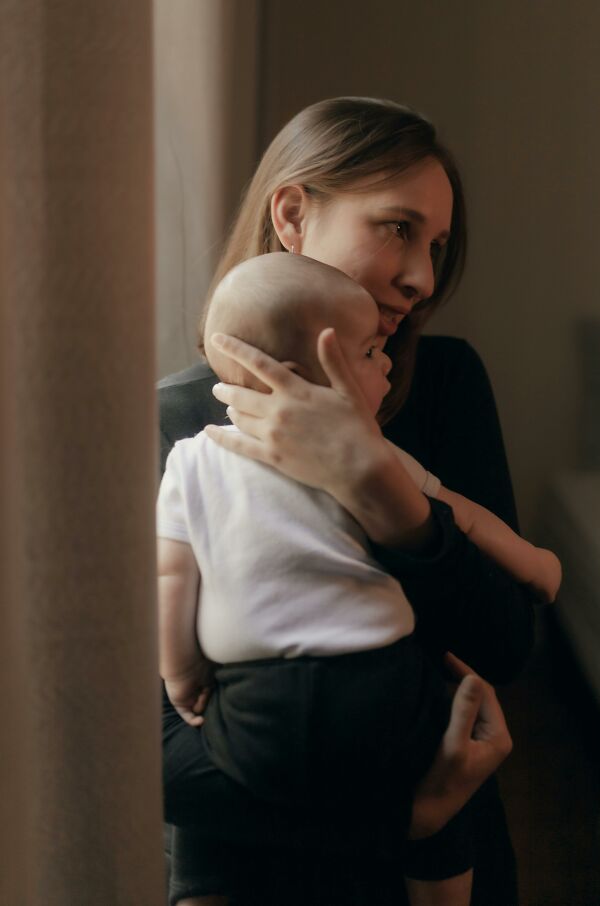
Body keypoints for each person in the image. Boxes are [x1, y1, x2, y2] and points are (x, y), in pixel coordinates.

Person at [159, 95, 538, 906]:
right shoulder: (175, 423)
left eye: (436, 245)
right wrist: (408, 817)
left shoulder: (448, 387)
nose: (424, 277)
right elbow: (147, 751)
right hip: (264, 876)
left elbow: (510, 646)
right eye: (398, 228)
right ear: (293, 214)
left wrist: (378, 489)